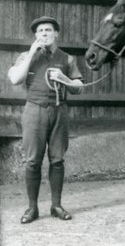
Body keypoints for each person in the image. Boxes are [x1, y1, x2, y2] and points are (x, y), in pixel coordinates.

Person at [8, 16, 84, 224]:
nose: (44, 34)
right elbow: (15, 79)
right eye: (40, 31)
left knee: (58, 160)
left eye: (48, 30)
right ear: (35, 35)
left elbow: (79, 87)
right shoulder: (26, 55)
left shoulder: (66, 58)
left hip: (59, 112)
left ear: (56, 34)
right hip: (34, 111)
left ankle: (56, 205)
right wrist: (32, 53)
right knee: (33, 161)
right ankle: (32, 208)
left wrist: (65, 79)